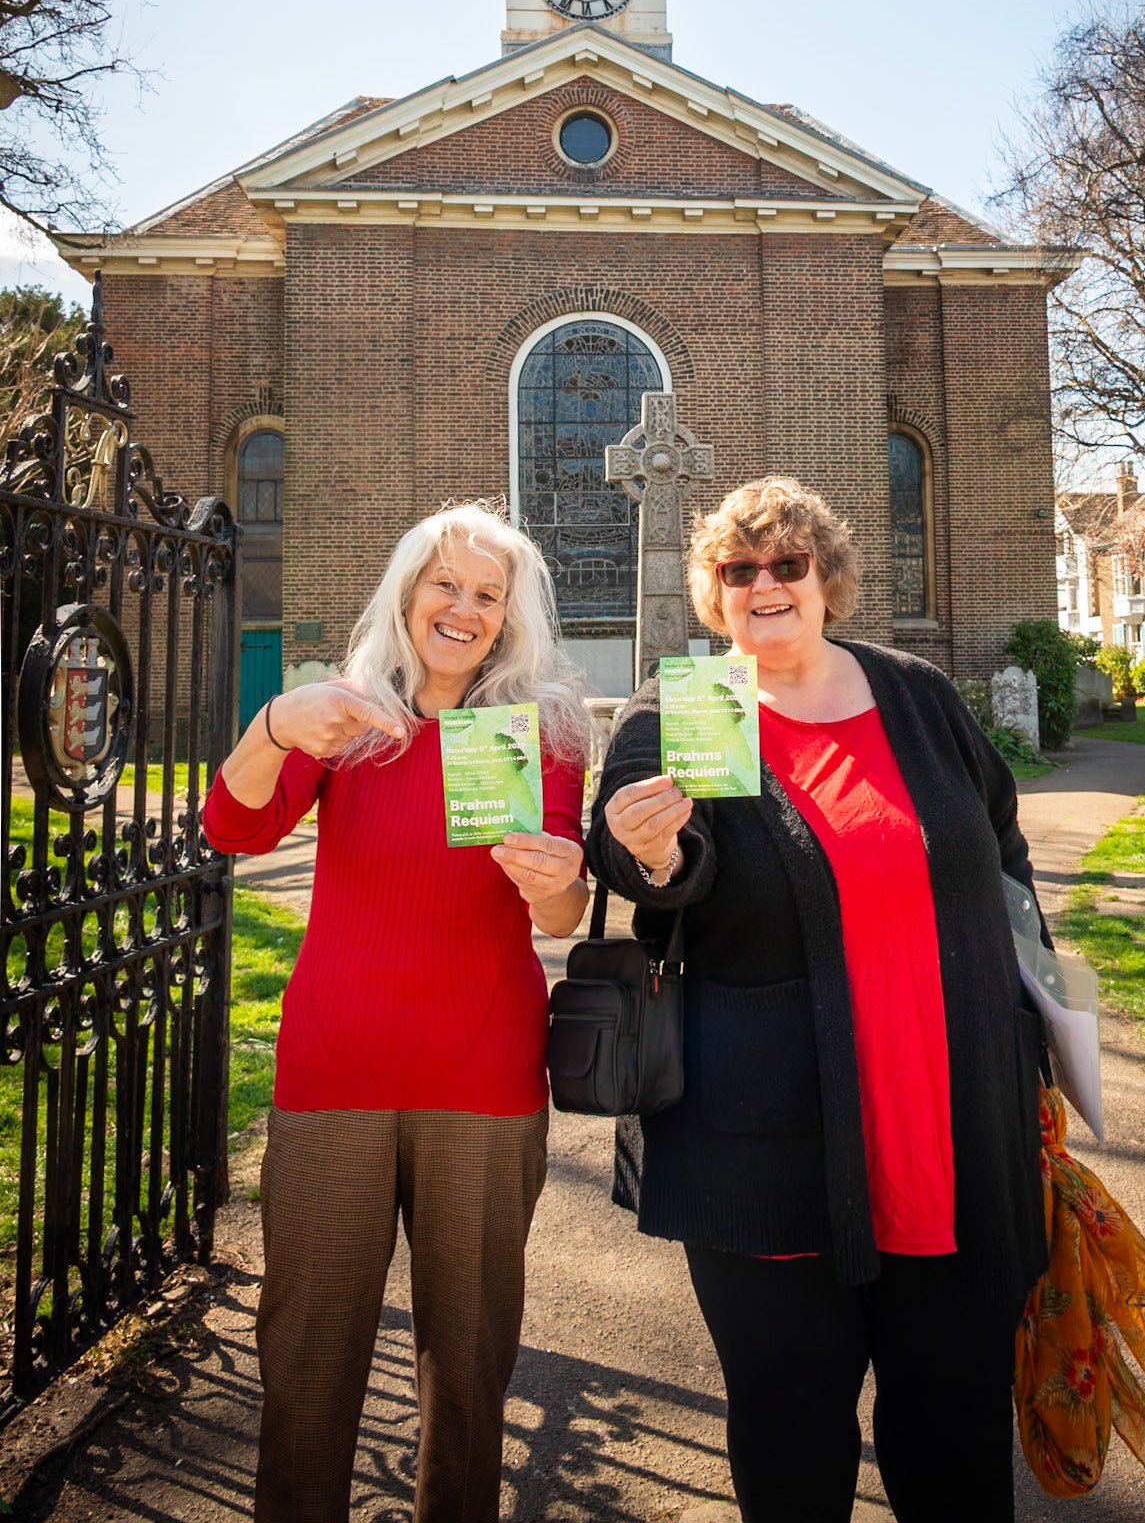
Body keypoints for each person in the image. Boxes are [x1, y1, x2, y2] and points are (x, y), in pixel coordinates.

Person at [586, 476, 1049, 1523]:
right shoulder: (679, 710)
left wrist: (1042, 1015)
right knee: (790, 1425)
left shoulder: (917, 694)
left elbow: (1005, 849)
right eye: (736, 568)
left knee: (955, 1422)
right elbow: (634, 854)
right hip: (769, 1139)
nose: (764, 584)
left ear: (825, 578)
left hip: (953, 1123)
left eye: (787, 563)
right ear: (711, 591)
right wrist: (651, 847)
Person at [203, 501, 589, 1523]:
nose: (462, 608)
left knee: (468, 1360)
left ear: (510, 618)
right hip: (337, 1068)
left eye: (487, 594)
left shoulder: (541, 729)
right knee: (307, 1350)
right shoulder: (344, 711)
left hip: (483, 1072)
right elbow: (233, 826)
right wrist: (273, 723)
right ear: (408, 591)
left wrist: (558, 875)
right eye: (445, 585)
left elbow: (559, 911)